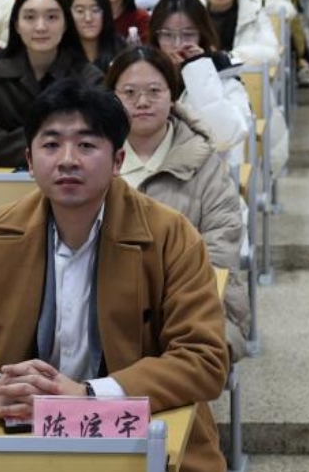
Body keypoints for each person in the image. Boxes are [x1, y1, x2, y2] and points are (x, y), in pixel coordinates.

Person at [0, 80, 228, 472]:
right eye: (51, 145)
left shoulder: (170, 235)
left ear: (118, 160)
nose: (67, 160)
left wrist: (87, 396)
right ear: (30, 160)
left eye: (86, 145)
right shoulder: (3, 231)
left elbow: (203, 358)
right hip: (24, 436)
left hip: (135, 433)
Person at [106, 47, 250, 355]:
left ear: (173, 96)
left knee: (184, 354)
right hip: (106, 302)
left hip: (193, 301)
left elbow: (221, 244)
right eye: (129, 92)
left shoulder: (204, 161)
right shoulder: (95, 159)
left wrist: (159, 298)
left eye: (154, 91)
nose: (142, 102)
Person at [0, 0, 103, 167]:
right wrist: (56, 140)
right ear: (16, 25)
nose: (40, 27)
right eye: (30, 17)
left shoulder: (89, 79)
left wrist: (18, 140)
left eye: (52, 17)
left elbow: (96, 142)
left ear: (65, 24)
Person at [151, 0, 260, 171]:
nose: (177, 44)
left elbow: (225, 137)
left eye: (188, 34)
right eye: (167, 35)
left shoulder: (224, 77)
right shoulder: (145, 77)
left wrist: (197, 70)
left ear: (201, 36)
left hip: (209, 180)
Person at [68, 0, 122, 72]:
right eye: (80, 11)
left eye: (95, 10)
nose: (88, 18)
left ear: (105, 13)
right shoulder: (60, 56)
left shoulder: (121, 51)